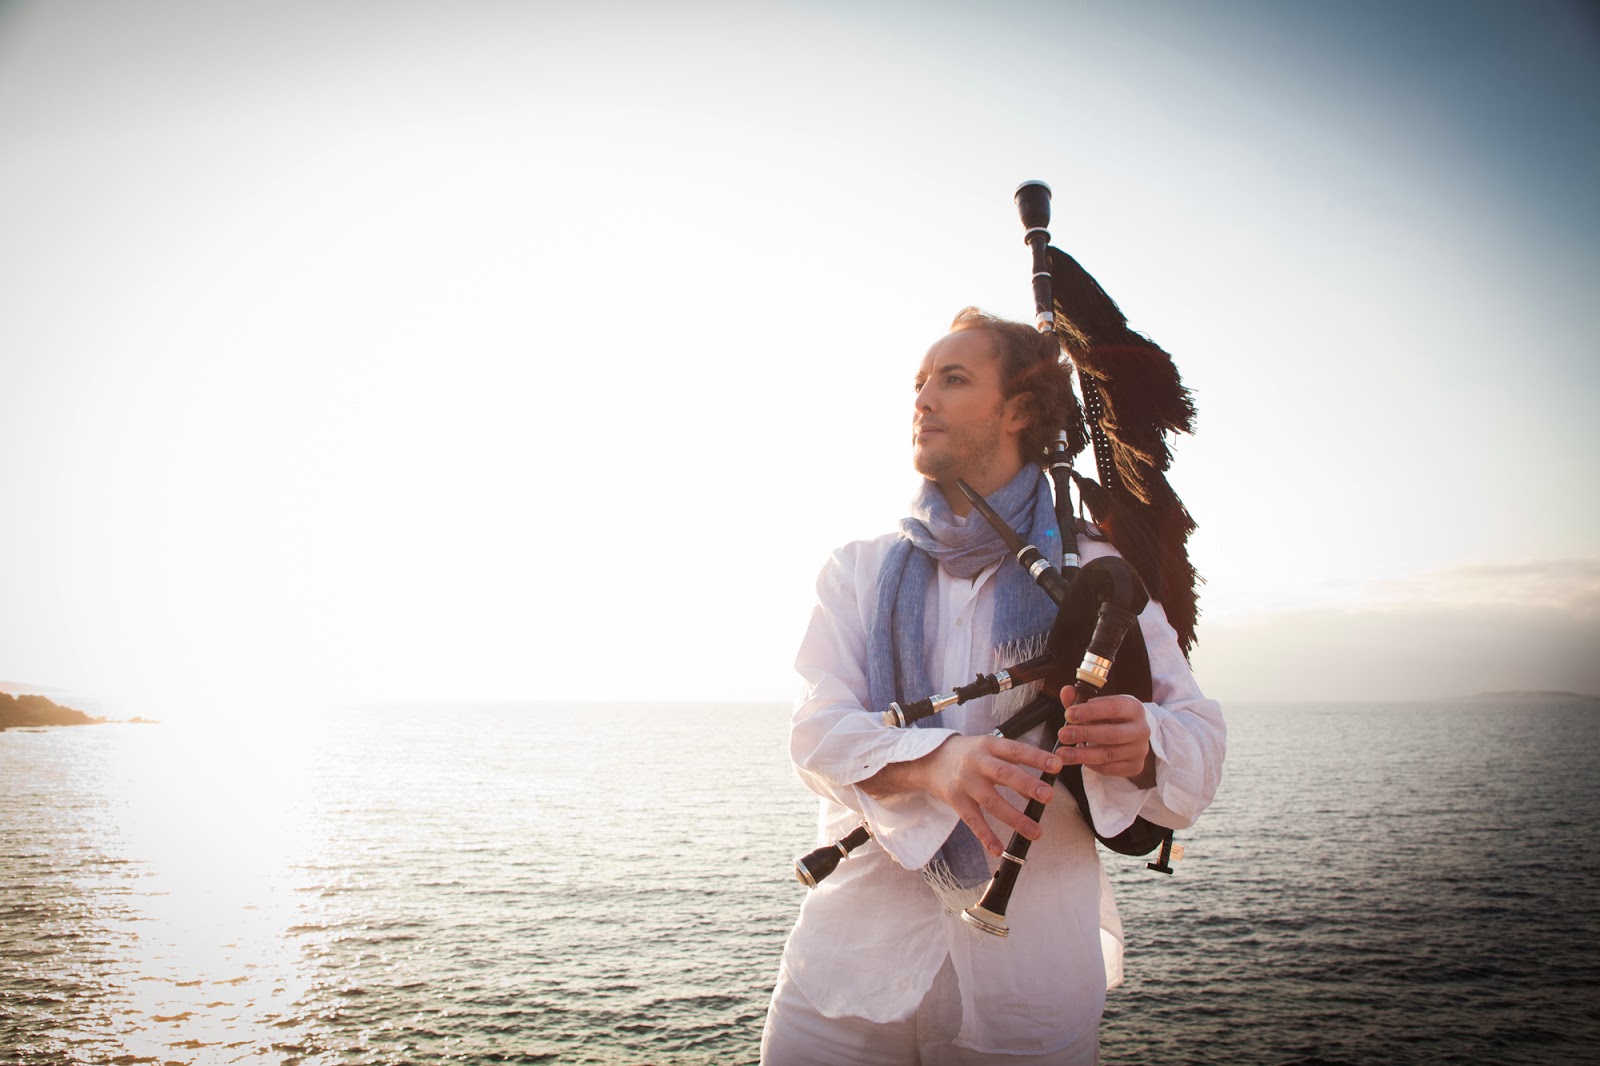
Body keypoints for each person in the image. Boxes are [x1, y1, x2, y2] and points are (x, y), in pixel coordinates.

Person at [761, 308, 1225, 1065]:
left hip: (1026, 1001)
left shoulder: (1099, 573)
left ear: (1018, 410)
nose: (922, 398)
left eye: (952, 379)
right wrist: (933, 764)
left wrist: (1146, 743)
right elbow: (815, 735)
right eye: (919, 382)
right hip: (845, 984)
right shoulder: (859, 570)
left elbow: (1199, 744)